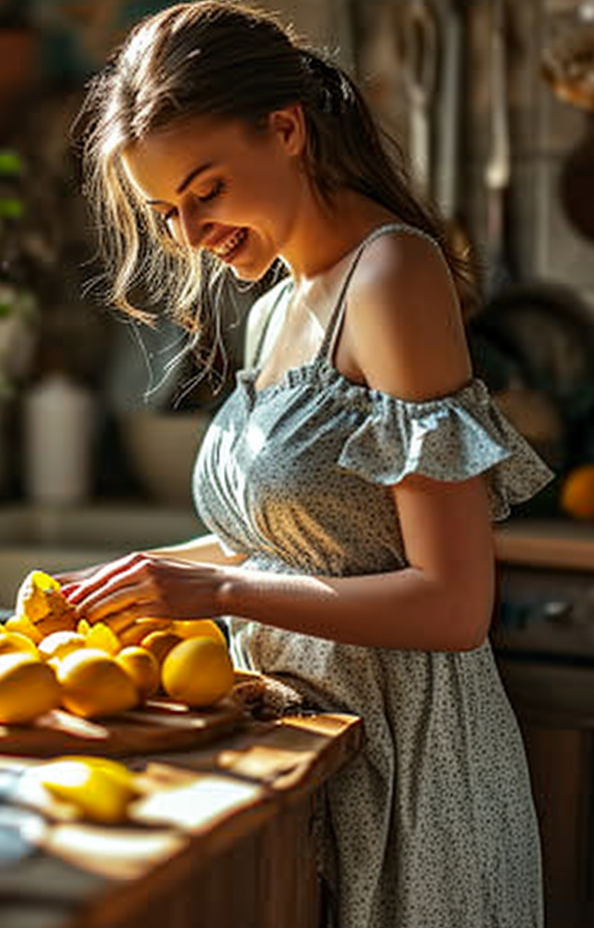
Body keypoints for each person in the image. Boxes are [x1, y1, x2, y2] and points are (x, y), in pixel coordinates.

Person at [66, 3, 552, 926]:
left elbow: (453, 606)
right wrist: (127, 584)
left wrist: (215, 596)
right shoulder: (275, 306)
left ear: (285, 129)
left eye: (206, 189)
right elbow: (286, 547)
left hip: (414, 767)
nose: (190, 230)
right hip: (305, 751)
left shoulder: (392, 276)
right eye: (168, 211)